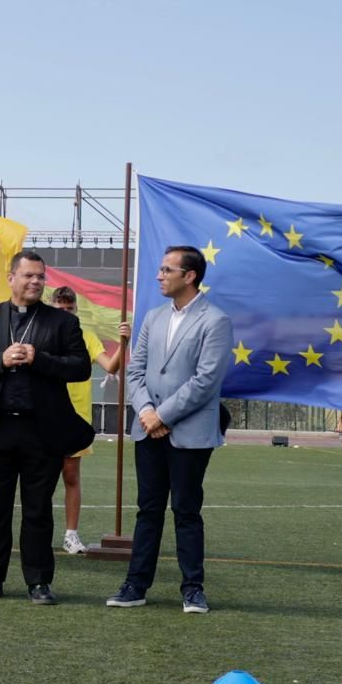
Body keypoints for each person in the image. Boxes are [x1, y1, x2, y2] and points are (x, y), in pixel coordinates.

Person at [0, 251, 94, 604]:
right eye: (29, 276)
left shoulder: (62, 323)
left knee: (38, 509)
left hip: (41, 429)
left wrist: (40, 359)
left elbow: (80, 368)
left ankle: (38, 582)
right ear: (11, 277)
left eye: (40, 277)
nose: (35, 282)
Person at [107, 245, 233, 613]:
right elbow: (135, 370)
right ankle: (136, 584)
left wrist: (162, 416)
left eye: (167, 270)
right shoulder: (152, 317)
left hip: (189, 433)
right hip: (148, 430)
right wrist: (147, 412)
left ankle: (192, 588)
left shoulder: (215, 320)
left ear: (189, 275)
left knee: (186, 510)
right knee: (148, 509)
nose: (159, 275)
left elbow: (206, 381)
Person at [48, 285, 128, 554]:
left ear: (76, 310)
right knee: (41, 477)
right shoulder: (41, 334)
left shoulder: (86, 336)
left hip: (76, 417)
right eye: (60, 309)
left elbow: (110, 366)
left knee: (71, 475)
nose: (65, 313)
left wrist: (122, 342)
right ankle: (38, 531)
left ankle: (71, 534)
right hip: (44, 415)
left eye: (69, 309)